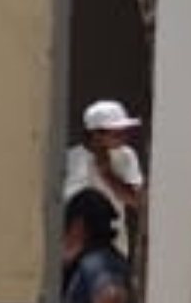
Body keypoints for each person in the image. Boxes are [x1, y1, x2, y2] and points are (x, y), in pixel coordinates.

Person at [62, 100, 146, 234]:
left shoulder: (126, 155)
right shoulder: (68, 159)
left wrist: (107, 174)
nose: (124, 137)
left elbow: (136, 201)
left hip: (113, 240)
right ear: (96, 134)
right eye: (117, 133)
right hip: (76, 242)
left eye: (125, 132)